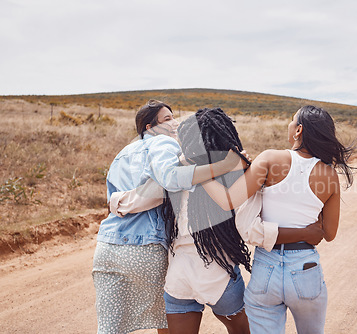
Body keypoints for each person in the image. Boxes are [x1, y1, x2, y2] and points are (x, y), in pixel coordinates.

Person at [108, 108, 325, 334]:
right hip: (218, 274)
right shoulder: (236, 175)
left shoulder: (176, 172)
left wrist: (115, 201)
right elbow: (250, 227)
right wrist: (301, 233)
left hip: (179, 277)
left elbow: (139, 198)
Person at [92, 100, 247, 334]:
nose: (174, 123)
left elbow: (150, 190)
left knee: (109, 328)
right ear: (148, 127)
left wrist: (119, 201)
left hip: (115, 249)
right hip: (202, 266)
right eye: (167, 119)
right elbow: (170, 180)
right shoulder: (168, 149)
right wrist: (228, 166)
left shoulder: (122, 155)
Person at [202, 105, 354, 334]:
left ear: (299, 130)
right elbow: (329, 234)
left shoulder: (271, 159)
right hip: (305, 268)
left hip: (266, 268)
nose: (289, 125)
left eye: (292, 120)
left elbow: (228, 201)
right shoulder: (330, 175)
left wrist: (200, 175)